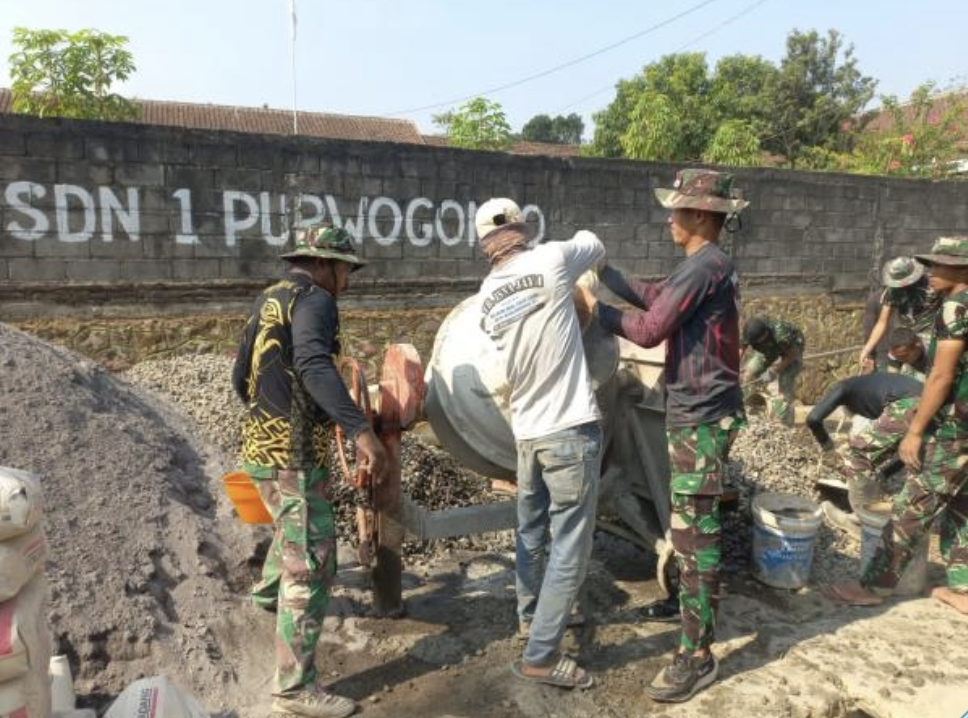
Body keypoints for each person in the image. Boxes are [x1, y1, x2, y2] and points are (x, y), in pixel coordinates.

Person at [575, 168, 747, 702]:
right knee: (687, 526)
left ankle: (698, 655)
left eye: (676, 211)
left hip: (701, 418)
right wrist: (606, 272)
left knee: (697, 539)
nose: (669, 219)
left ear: (700, 215)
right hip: (695, 414)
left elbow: (651, 329)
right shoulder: (701, 267)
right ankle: (687, 610)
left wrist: (594, 309)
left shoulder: (706, 267)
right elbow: (655, 296)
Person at [232, 221, 388, 718]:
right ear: (324, 263)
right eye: (346, 269)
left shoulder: (270, 297)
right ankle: (294, 691)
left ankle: (267, 597)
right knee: (315, 560)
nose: (348, 279)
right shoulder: (318, 300)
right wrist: (362, 433)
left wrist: (268, 418)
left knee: (292, 529)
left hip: (262, 448)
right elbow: (317, 366)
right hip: (294, 456)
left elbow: (241, 375)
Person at [473, 198, 605, 690]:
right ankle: (542, 657)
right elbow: (595, 244)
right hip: (570, 428)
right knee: (571, 544)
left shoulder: (486, 297)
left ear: (485, 243)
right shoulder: (551, 259)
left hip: (526, 434)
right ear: (524, 229)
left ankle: (531, 617)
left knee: (531, 532)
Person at [824, 236, 968, 615]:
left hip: (956, 427)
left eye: (940, 265)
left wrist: (916, 431)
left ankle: (872, 585)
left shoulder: (957, 308)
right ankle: (965, 589)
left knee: (912, 504)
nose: (932, 272)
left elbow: (941, 376)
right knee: (961, 504)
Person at [805, 373, 923, 533]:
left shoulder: (843, 387)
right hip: (932, 402)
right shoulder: (874, 389)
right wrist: (885, 473)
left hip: (909, 403)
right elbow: (906, 449)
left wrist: (828, 448)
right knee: (908, 455)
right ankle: (896, 526)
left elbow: (813, 418)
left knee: (856, 453)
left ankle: (861, 523)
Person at [859, 256, 941, 373]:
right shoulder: (892, 292)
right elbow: (882, 322)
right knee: (893, 367)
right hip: (905, 335)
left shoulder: (932, 286)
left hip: (929, 335)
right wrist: (867, 349)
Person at [740, 316, 804, 426]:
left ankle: (785, 421)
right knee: (749, 373)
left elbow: (791, 355)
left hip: (791, 348)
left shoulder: (781, 334)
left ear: (764, 335)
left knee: (785, 381)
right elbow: (741, 348)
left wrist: (774, 370)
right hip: (768, 348)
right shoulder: (750, 332)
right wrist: (731, 369)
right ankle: (750, 410)